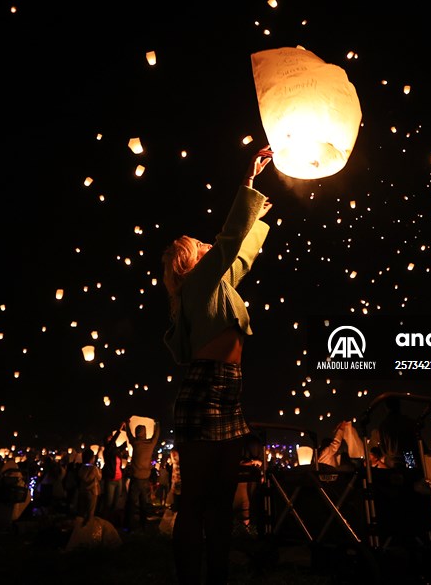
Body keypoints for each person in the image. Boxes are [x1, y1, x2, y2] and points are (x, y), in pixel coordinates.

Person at [162, 145, 274, 585]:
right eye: (201, 246)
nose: (209, 244)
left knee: (222, 500)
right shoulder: (197, 286)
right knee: (195, 500)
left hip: (228, 390)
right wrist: (248, 182)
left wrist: (257, 215)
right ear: (190, 264)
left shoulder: (218, 285)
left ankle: (218, 576)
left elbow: (241, 256)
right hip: (205, 390)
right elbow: (229, 242)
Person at [125, 418, 160, 531]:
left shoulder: (135, 443)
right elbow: (156, 435)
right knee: (143, 503)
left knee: (132, 503)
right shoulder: (150, 444)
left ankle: (130, 525)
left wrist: (127, 424)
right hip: (145, 478)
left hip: (135, 478)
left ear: (136, 433)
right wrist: (157, 424)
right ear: (145, 433)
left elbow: (128, 435)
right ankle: (143, 524)